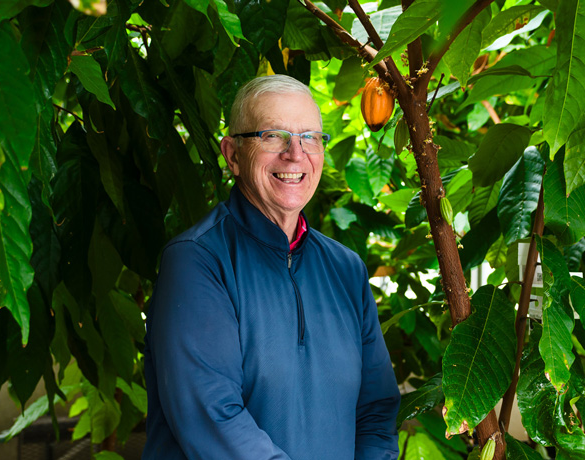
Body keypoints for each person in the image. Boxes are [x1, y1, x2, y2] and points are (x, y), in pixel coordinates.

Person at [142, 74, 400, 459]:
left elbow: (376, 411)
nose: (295, 154)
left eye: (310, 137)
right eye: (273, 135)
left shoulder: (347, 270)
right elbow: (213, 418)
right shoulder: (196, 260)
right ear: (232, 155)